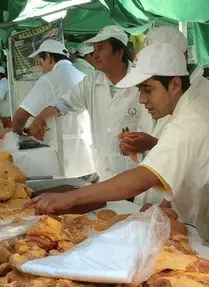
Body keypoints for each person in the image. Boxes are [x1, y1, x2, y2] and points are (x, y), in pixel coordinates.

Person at [26, 43, 209, 225]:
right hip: (204, 214)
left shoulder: (189, 122)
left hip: (202, 226)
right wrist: (163, 204)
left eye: (148, 90)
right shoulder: (201, 91)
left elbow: (141, 179)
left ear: (176, 84)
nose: (141, 100)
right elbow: (193, 159)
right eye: (140, 90)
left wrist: (70, 198)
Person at [28, 26, 141, 182]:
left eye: (100, 49)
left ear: (119, 52)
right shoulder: (93, 80)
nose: (95, 55)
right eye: (94, 49)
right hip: (103, 172)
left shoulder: (141, 82)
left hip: (134, 174)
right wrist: (41, 117)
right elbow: (65, 103)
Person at [120, 26, 209, 166]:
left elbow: (198, 153)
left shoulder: (201, 98)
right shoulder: (155, 88)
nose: (142, 100)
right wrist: (133, 144)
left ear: (183, 56)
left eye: (165, 55)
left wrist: (154, 144)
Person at [12, 40, 93, 178]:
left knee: (65, 192)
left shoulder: (49, 79)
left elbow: (21, 115)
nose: (41, 67)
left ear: (48, 57)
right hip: (87, 152)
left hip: (62, 154)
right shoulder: (84, 76)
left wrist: (15, 135)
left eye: (41, 62)